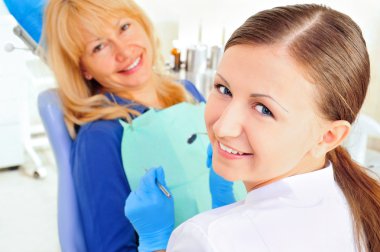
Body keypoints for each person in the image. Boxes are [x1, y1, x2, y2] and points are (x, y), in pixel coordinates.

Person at [125, 4, 380, 252]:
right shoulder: (361, 202)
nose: (223, 127)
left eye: (263, 109)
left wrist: (155, 242)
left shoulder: (205, 239)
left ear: (328, 136)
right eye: (224, 89)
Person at [43, 0, 204, 251]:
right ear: (83, 67)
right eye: (99, 46)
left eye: (124, 27)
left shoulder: (188, 92)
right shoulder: (100, 138)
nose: (124, 52)